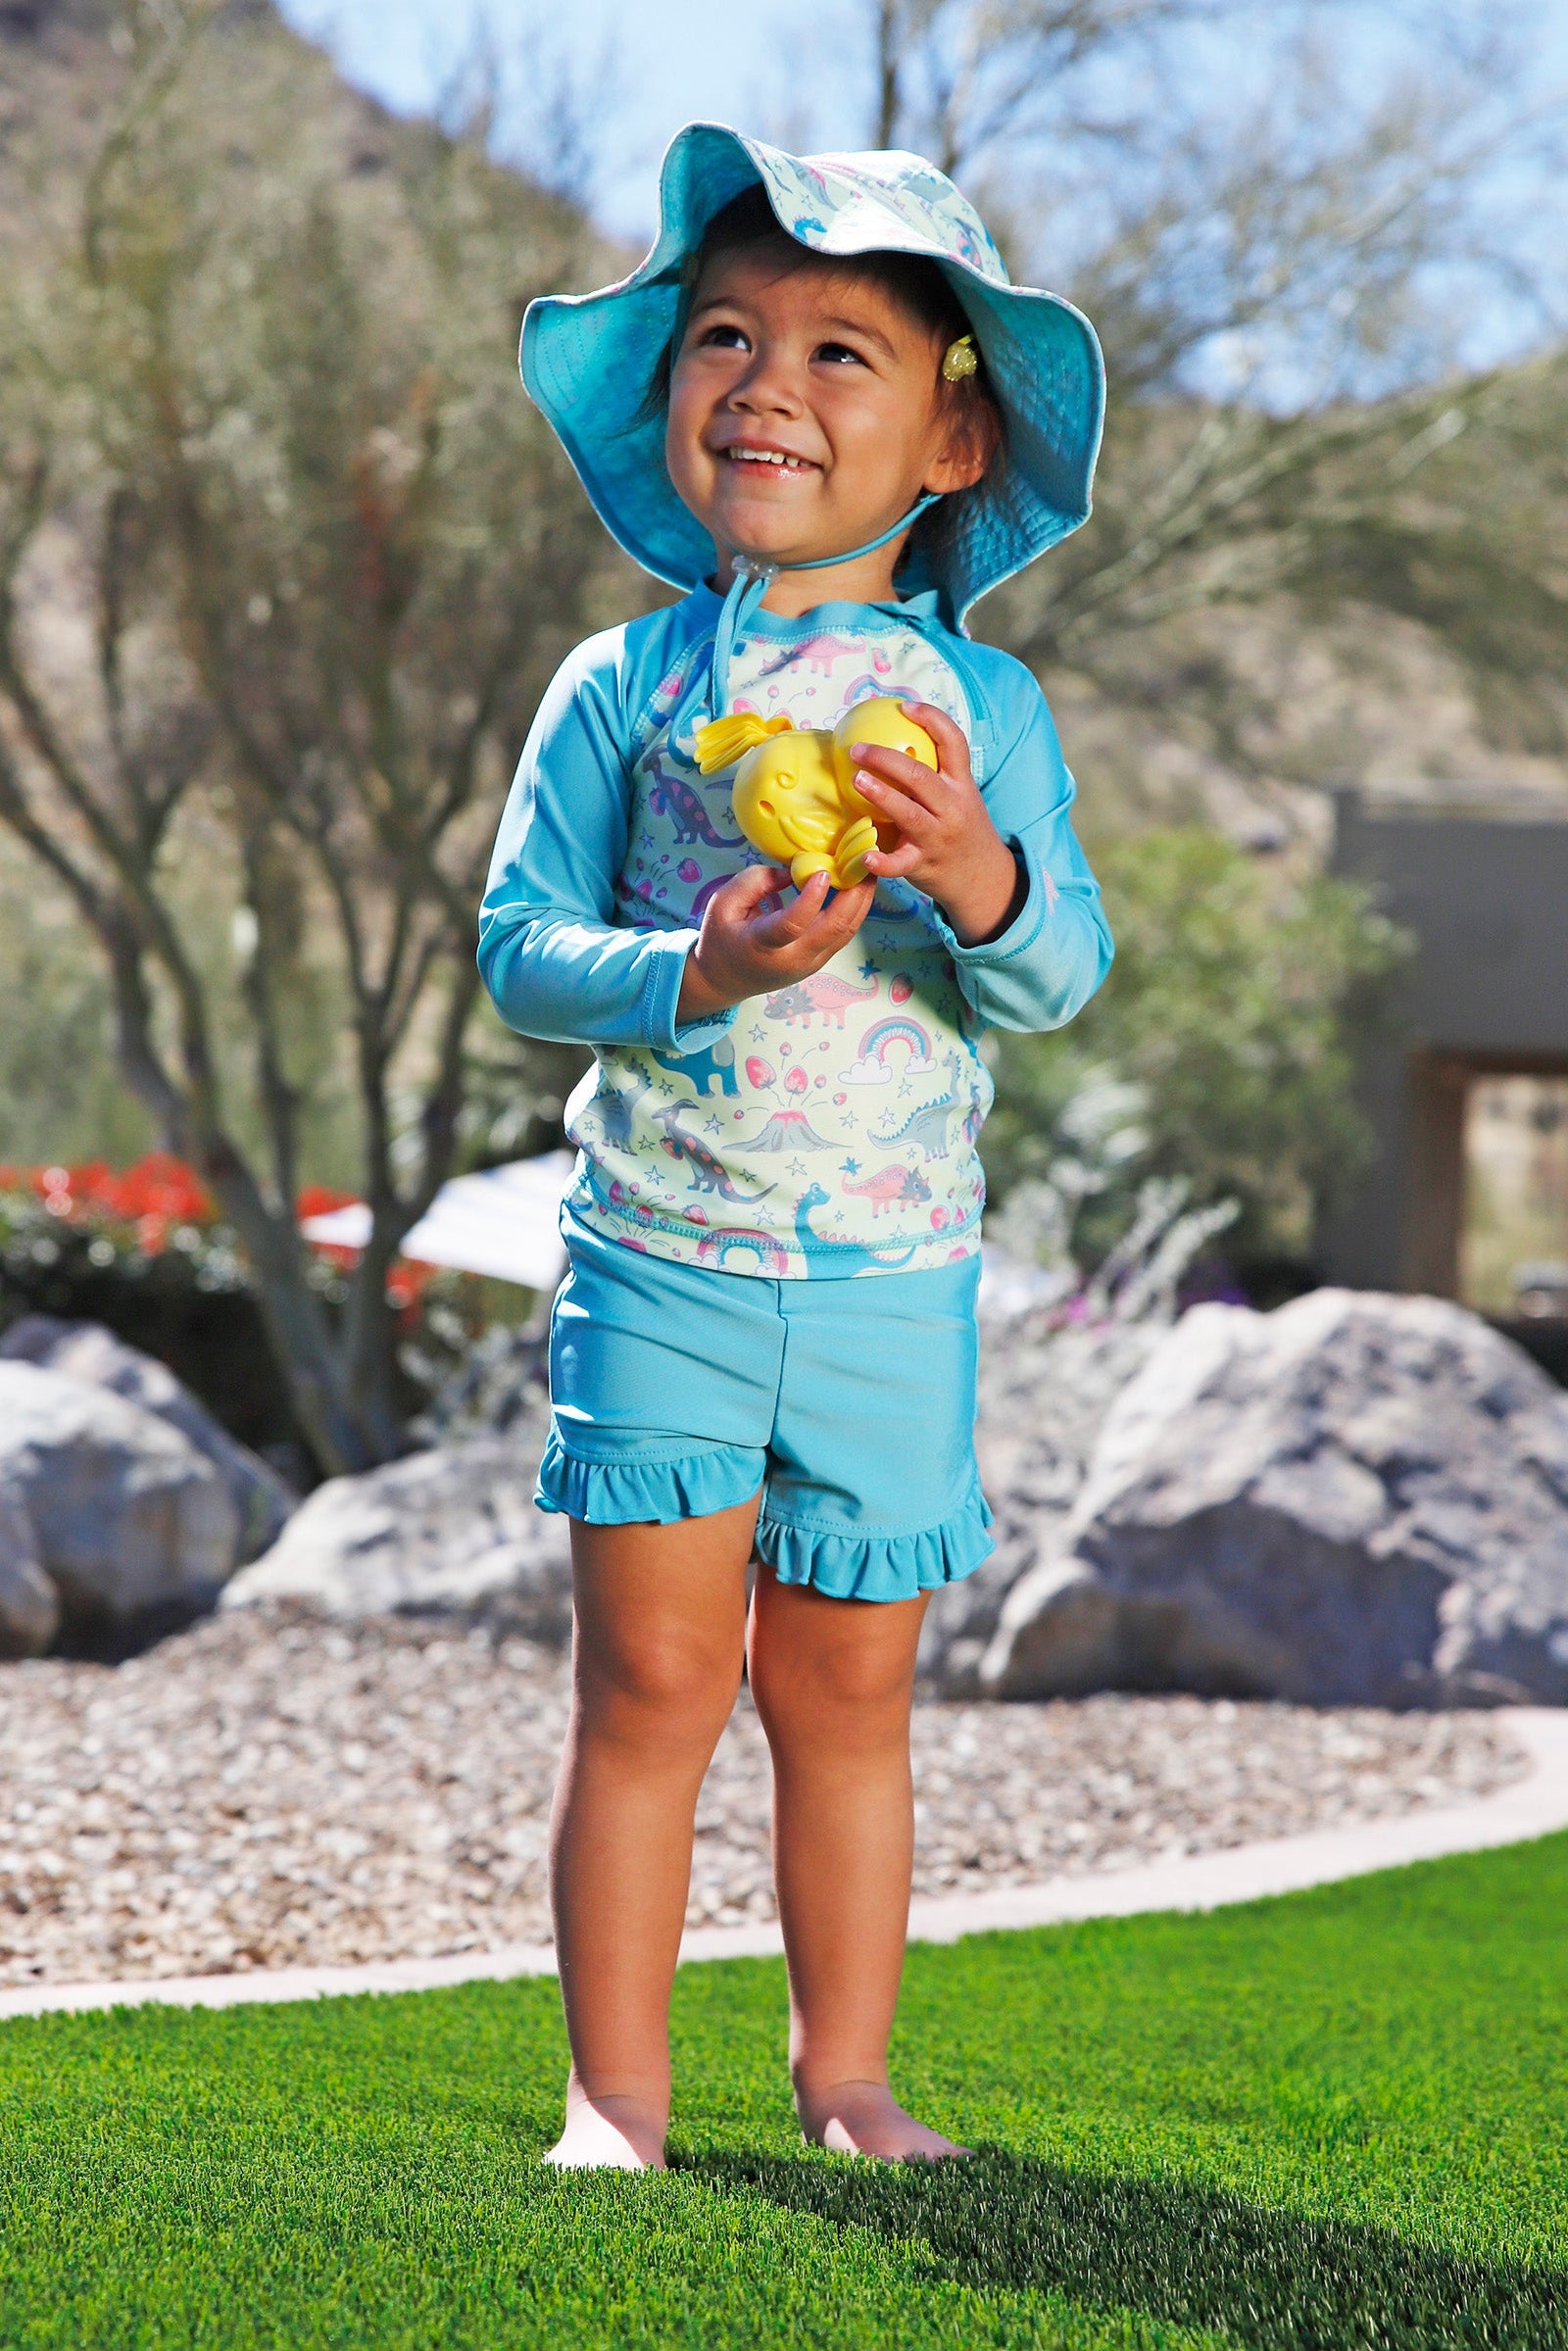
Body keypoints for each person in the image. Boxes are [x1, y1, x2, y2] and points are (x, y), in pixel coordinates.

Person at [479, 126, 1112, 2172]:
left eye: (843, 351)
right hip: (659, 1255)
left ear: (951, 440)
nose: (766, 383)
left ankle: (848, 2080)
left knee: (844, 1700)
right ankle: (614, 2097)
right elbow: (519, 950)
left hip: (887, 1282)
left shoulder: (980, 709)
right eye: (726, 336)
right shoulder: (624, 684)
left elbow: (1060, 972)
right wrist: (698, 966)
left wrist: (979, 872)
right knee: (651, 1688)